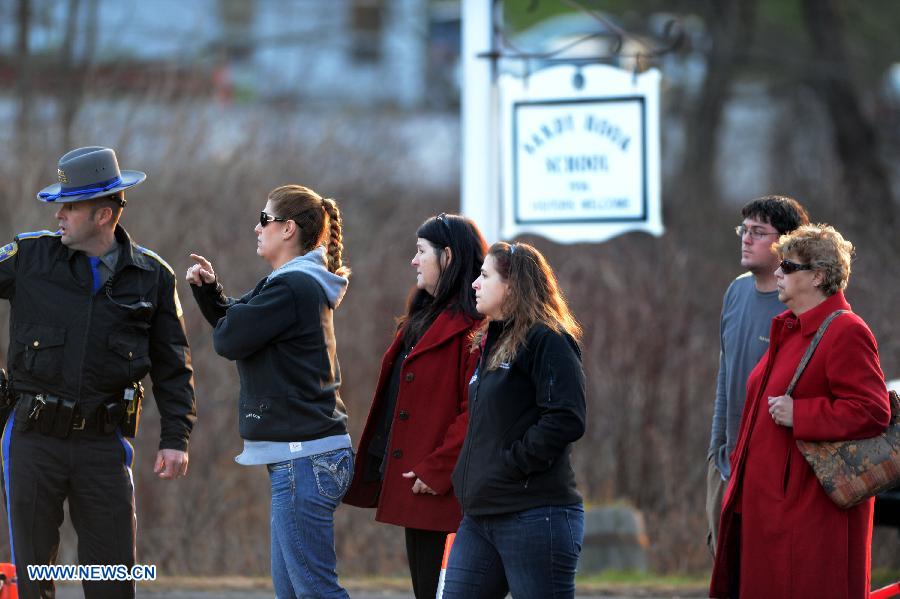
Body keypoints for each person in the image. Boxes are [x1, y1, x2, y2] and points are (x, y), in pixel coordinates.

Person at [0, 146, 197, 599]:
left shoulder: (152, 278)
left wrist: (175, 438)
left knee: (112, 581)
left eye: (70, 206)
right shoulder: (29, 259)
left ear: (104, 214)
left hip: (102, 445)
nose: (59, 215)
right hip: (33, 440)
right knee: (32, 582)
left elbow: (173, 366)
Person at [187, 184, 352, 598]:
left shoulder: (292, 287)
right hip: (305, 458)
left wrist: (219, 306)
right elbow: (239, 324)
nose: (256, 228)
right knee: (294, 592)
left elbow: (229, 340)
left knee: (314, 591)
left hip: (304, 460)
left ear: (288, 229)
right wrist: (211, 293)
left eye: (264, 220)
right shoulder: (291, 283)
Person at [710, 224, 891, 599]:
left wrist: (802, 414)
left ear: (819, 276)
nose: (777, 272)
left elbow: (873, 410)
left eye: (788, 267)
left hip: (809, 518)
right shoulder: (790, 328)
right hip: (770, 513)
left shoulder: (846, 331)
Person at [343, 213, 486, 599]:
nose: (413, 260)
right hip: (419, 485)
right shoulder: (421, 319)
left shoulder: (477, 327)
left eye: (421, 251)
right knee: (426, 591)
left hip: (448, 488)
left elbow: (476, 410)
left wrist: (436, 469)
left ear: (449, 257)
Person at [442, 241, 586, 599]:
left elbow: (566, 418)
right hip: (480, 515)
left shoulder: (547, 339)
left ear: (512, 286)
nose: (475, 283)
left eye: (485, 275)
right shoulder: (491, 340)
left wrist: (512, 465)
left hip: (535, 515)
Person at [706, 195, 809, 555]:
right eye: (744, 230)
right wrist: (716, 451)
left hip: (774, 474)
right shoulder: (735, 292)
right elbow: (726, 377)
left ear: (787, 243)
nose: (746, 239)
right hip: (727, 466)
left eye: (758, 232)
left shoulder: (802, 304)